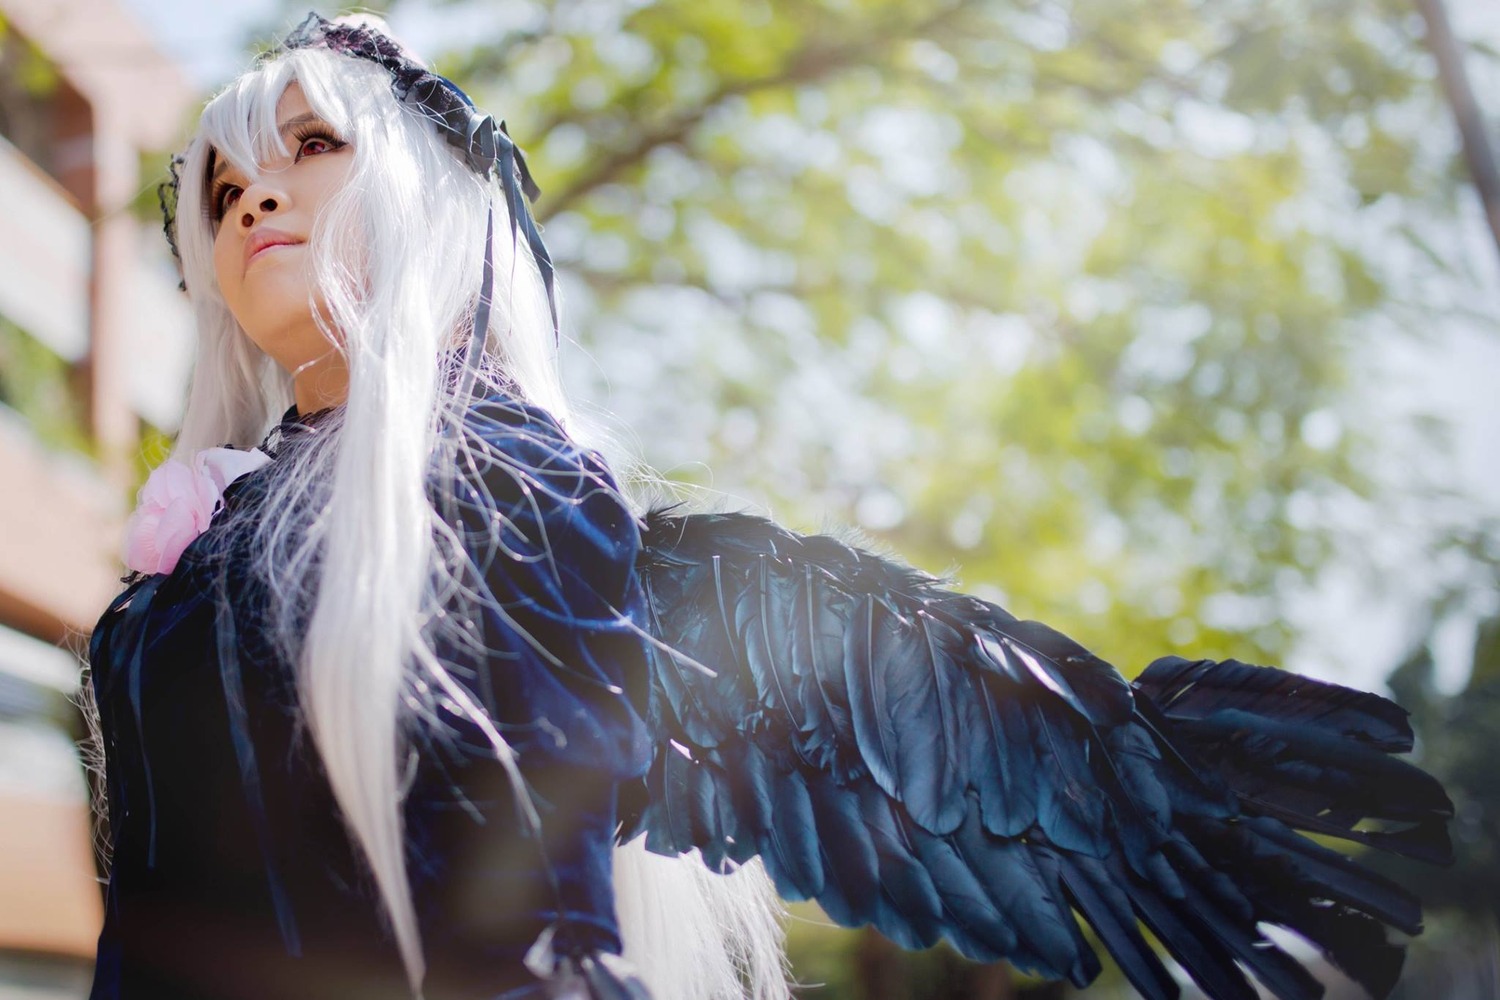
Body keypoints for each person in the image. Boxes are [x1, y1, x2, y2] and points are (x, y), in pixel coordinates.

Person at [85, 12, 1453, 1000]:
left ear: (428, 195)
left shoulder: (497, 483)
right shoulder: (217, 521)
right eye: (218, 186)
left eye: (314, 144)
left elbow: (524, 886)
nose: (253, 194)